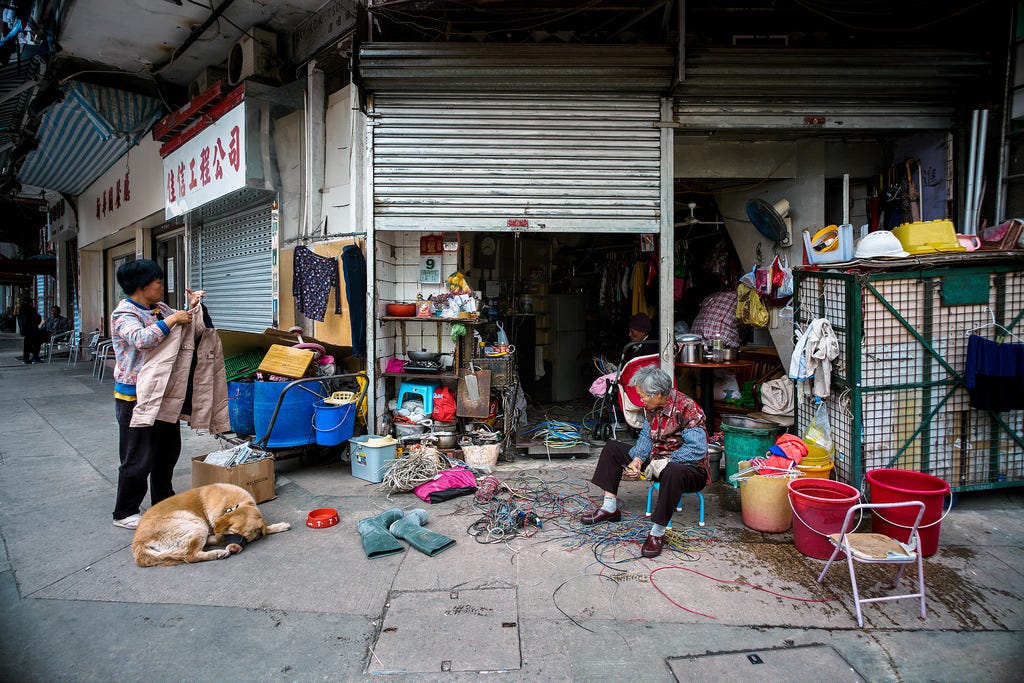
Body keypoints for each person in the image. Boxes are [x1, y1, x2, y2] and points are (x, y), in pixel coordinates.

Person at [110, 259, 203, 530]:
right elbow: (142, 339)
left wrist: (192, 308)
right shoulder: (124, 314)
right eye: (157, 281)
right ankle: (125, 511)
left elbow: (182, 327)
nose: (162, 286)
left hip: (164, 392)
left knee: (167, 451)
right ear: (140, 285)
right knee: (138, 455)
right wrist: (173, 319)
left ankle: (163, 501)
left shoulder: (159, 308)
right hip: (135, 396)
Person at [580, 365, 709, 558]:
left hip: (688, 470)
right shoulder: (651, 407)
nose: (641, 400)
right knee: (612, 448)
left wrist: (668, 460)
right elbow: (646, 437)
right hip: (657, 461)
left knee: (673, 470)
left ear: (658, 394)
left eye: (643, 396)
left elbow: (697, 449)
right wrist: (638, 459)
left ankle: (657, 533)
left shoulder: (688, 409)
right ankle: (609, 508)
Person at [15, 297, 42, 364]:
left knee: (27, 345)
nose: (32, 303)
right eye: (31, 302)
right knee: (36, 344)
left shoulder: (21, 309)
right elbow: (36, 319)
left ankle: (26, 358)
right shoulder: (30, 309)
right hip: (33, 329)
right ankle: (35, 358)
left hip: (26, 331)